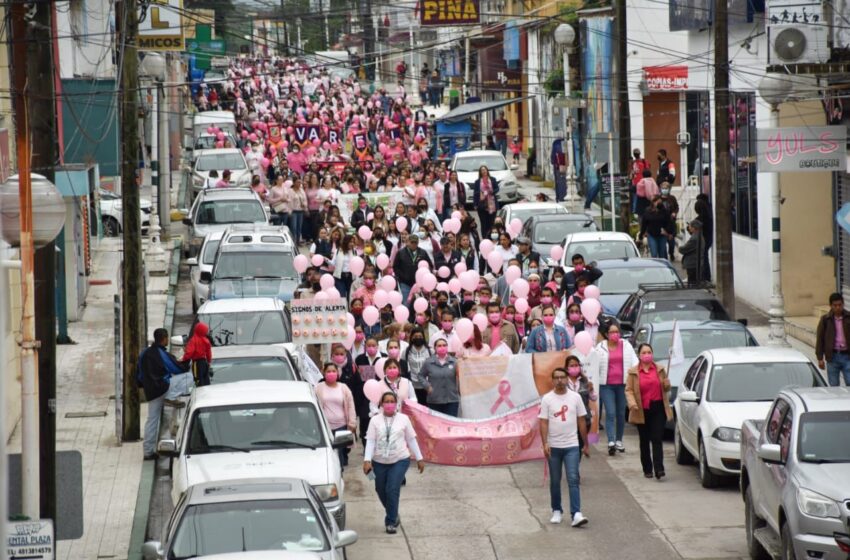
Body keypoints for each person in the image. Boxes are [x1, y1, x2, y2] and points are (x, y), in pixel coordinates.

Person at [363, 391, 425, 534]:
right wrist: (367, 460)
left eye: (392, 401)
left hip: (400, 459)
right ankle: (393, 512)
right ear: (381, 404)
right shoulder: (375, 420)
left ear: (396, 404)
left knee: (392, 489)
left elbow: (411, 439)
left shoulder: (404, 419)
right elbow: (371, 441)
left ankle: (390, 521)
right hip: (379, 461)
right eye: (387, 401)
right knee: (380, 489)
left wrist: (419, 458)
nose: (389, 404)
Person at [539, 367, 590, 527]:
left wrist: (586, 443)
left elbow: (582, 420)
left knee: (573, 478)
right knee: (555, 480)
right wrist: (545, 443)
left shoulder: (575, 397)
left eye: (562, 377)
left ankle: (576, 513)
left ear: (567, 379)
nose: (560, 380)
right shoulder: (547, 399)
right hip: (554, 446)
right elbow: (544, 422)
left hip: (572, 445)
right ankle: (556, 510)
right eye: (557, 377)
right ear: (553, 380)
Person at [139, 328, 190, 460]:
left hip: (150, 392)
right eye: (167, 338)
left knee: (152, 420)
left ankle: (148, 452)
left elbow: (139, 374)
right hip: (163, 388)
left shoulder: (144, 353)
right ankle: (171, 397)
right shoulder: (161, 353)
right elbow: (176, 369)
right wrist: (186, 362)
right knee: (188, 376)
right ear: (164, 339)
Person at [590, 321, 638, 456]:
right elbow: (593, 363)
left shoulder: (626, 346)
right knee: (610, 412)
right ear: (606, 334)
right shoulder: (600, 347)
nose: (615, 334)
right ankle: (611, 441)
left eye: (617, 332)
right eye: (611, 332)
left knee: (621, 414)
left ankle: (619, 440)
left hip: (623, 385)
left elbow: (635, 361)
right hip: (606, 385)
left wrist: (636, 372)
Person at [626, 343, 672, 479]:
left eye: (649, 352)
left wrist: (667, 384)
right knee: (644, 440)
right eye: (644, 352)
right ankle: (647, 468)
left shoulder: (660, 369)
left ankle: (659, 469)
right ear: (639, 355)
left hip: (658, 408)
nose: (647, 355)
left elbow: (666, 389)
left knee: (657, 438)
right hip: (641, 409)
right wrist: (632, 404)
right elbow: (628, 390)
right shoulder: (633, 372)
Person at [316, 362, 356, 468]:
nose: (331, 373)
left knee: (340, 454)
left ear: (338, 373)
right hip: (325, 426)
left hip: (342, 425)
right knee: (330, 452)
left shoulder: (344, 388)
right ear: (324, 373)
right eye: (328, 371)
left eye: (333, 371)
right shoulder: (319, 387)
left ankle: (340, 474)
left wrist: (352, 423)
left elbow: (351, 405)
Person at [815, 292, 850, 386]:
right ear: (831, 306)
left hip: (847, 356)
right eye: (835, 305)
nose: (838, 307)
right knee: (834, 386)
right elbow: (820, 339)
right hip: (832, 357)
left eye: (840, 305)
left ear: (843, 304)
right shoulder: (825, 320)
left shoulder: (848, 318)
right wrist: (820, 358)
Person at [420, 338, 460, 416]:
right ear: (435, 348)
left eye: (444, 345)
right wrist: (427, 386)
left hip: (451, 400)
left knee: (450, 424)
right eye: (439, 345)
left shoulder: (455, 362)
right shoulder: (428, 362)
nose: (442, 347)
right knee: (435, 425)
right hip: (434, 400)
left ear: (447, 347)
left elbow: (462, 376)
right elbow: (421, 375)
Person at [393, 233, 433, 303]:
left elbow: (430, 265)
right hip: (405, 284)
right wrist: (401, 277)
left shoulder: (423, 252)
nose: (414, 244)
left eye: (416, 242)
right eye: (412, 242)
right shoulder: (401, 253)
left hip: (420, 284)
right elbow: (395, 267)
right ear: (407, 242)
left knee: (420, 303)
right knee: (406, 303)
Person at [181, 321, 212, 387]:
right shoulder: (206, 340)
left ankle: (199, 394)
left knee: (198, 380)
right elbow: (209, 352)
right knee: (206, 380)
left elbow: (189, 353)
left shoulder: (193, 340)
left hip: (196, 363)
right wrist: (209, 362)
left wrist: (183, 359)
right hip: (204, 362)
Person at [405, 327, 432, 404]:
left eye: (420, 337)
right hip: (412, 386)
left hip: (427, 386)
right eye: (415, 337)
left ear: (423, 337)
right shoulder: (406, 351)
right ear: (412, 338)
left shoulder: (430, 351)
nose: (418, 338)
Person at [472, 165, 499, 236]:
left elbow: (497, 188)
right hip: (482, 205)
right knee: (483, 223)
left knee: (491, 222)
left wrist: (491, 191)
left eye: (485, 169)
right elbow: (475, 193)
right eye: (482, 170)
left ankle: (491, 236)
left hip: (492, 204)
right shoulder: (477, 182)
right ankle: (484, 237)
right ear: (480, 172)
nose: (484, 171)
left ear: (487, 170)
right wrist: (475, 204)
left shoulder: (492, 179)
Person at [679, 219, 706, 286]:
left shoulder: (694, 238)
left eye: (690, 226)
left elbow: (684, 249)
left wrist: (680, 248)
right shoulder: (699, 236)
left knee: (692, 284)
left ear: (694, 228)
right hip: (695, 263)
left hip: (693, 264)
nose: (689, 228)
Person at [694, 193, 713, 282]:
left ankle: (705, 277)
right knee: (704, 257)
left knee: (703, 258)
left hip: (704, 239)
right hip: (708, 238)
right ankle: (705, 277)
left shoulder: (701, 218)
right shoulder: (708, 214)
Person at [630, 148, 651, 214]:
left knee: (643, 197)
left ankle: (644, 210)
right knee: (635, 198)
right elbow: (631, 172)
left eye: (637, 153)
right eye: (635, 153)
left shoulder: (644, 161)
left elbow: (648, 170)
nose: (636, 154)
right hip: (635, 183)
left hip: (643, 182)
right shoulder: (633, 162)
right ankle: (635, 212)